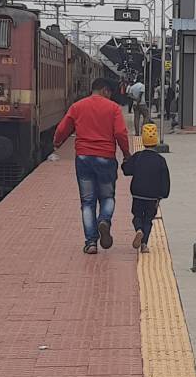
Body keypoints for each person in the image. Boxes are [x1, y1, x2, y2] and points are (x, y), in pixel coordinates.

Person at [53, 76, 130, 253]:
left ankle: (91, 243)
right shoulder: (113, 108)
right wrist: (126, 154)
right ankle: (104, 220)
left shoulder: (77, 106)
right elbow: (120, 133)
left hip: (83, 158)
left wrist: (57, 142)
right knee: (107, 197)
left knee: (87, 201)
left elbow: (63, 128)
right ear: (105, 91)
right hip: (105, 158)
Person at [120, 121, 171, 251]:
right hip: (153, 196)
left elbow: (127, 170)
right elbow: (165, 180)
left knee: (137, 215)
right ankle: (144, 245)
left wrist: (125, 161)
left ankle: (138, 229)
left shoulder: (138, 157)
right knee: (148, 219)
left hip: (138, 193)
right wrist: (162, 195)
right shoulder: (161, 160)